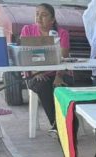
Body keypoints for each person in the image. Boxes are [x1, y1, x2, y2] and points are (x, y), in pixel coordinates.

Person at [21, 3, 71, 134]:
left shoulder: (62, 33)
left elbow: (63, 57)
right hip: (35, 74)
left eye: (43, 15)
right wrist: (35, 71)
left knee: (61, 87)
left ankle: (68, 123)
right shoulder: (27, 30)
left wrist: (59, 76)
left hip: (59, 73)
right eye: (37, 14)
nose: (39, 18)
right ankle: (57, 125)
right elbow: (25, 55)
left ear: (52, 19)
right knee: (43, 85)